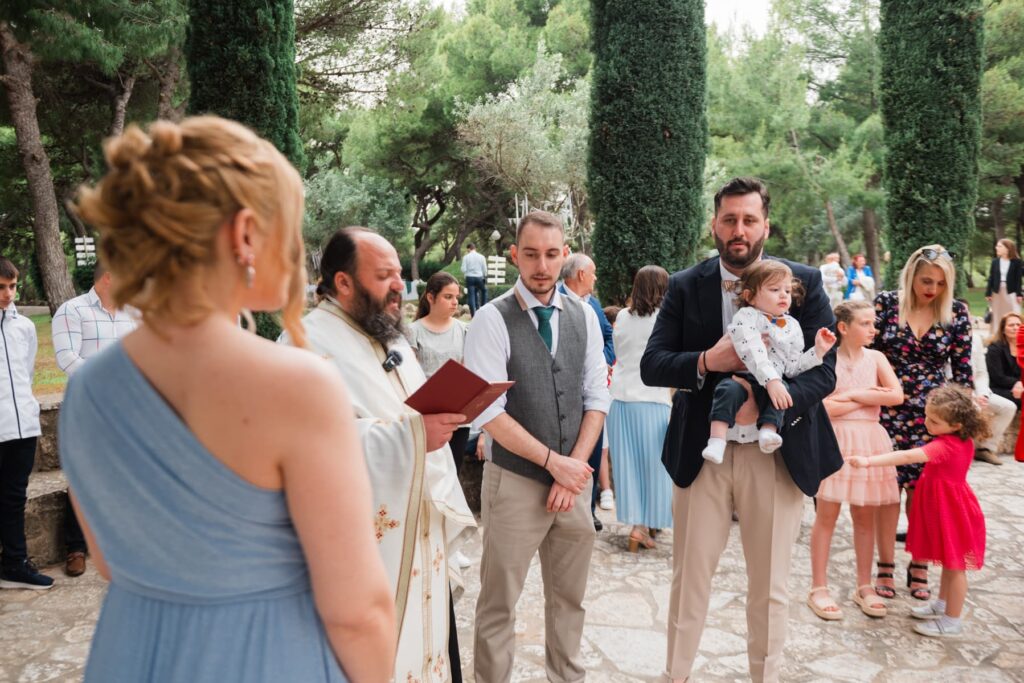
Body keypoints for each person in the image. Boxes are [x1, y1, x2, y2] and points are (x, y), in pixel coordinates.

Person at [61, 116, 395, 681]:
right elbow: (357, 612)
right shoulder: (298, 386)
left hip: (132, 653)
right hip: (264, 658)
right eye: (290, 227)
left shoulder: (86, 389)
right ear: (244, 233)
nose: (298, 251)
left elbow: (110, 562)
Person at [640, 177, 842, 683]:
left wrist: (767, 401)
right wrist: (707, 361)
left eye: (749, 220)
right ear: (714, 224)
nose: (739, 230)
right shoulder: (685, 284)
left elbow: (824, 372)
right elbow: (653, 364)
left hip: (776, 453)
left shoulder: (803, 281)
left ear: (765, 226)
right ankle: (676, 675)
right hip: (702, 452)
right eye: (729, 219)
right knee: (689, 580)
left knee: (771, 586)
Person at [288, 227, 475, 683]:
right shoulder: (303, 345)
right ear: (343, 282)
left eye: (398, 274)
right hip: (367, 553)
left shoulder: (391, 338)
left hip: (419, 538)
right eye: (384, 275)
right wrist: (413, 437)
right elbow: (304, 449)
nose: (398, 286)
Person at [464, 209, 609, 683]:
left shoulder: (585, 316)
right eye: (530, 254)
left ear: (565, 254)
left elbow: (596, 397)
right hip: (514, 483)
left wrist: (573, 468)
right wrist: (553, 464)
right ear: (514, 255)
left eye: (550, 254)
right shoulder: (491, 318)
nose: (541, 266)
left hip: (574, 484)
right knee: (498, 603)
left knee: (570, 599)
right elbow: (488, 412)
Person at [871, 244, 972, 602]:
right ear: (911, 275)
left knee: (923, 494)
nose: (933, 289)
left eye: (941, 283)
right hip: (888, 408)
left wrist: (963, 426)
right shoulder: (886, 304)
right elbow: (868, 353)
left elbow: (963, 372)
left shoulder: (956, 312)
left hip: (934, 419)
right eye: (927, 280)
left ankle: (920, 564)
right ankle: (885, 564)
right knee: (888, 490)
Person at [851, 385, 988, 638]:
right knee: (949, 562)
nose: (926, 423)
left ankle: (952, 621)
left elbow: (906, 457)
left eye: (934, 421)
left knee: (956, 566)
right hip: (949, 507)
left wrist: (868, 461)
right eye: (927, 416)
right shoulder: (961, 438)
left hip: (951, 511)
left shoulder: (945, 445)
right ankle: (943, 605)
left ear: (956, 424)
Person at [807, 300, 903, 621]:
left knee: (865, 517)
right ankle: (818, 587)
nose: (873, 329)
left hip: (870, 442)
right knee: (827, 515)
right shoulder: (828, 359)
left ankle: (864, 585)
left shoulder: (876, 358)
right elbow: (822, 407)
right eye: (865, 323)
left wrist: (850, 396)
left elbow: (895, 395)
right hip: (834, 441)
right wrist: (868, 396)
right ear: (844, 327)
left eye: (873, 323)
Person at [702, 260, 836, 463]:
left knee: (783, 391)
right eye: (774, 289)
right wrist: (771, 380)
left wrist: (817, 352)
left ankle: (768, 430)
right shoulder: (746, 316)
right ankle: (716, 440)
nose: (783, 295)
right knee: (728, 390)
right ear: (750, 296)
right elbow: (752, 348)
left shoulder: (793, 326)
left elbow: (791, 367)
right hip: (742, 376)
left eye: (787, 291)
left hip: (772, 383)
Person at [51, 261, 137, 577]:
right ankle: (76, 548)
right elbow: (66, 358)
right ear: (110, 277)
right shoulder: (72, 311)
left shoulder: (133, 313)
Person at [407, 271, 473, 570]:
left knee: (452, 478)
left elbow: (468, 369)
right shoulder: (413, 332)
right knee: (429, 480)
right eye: (448, 296)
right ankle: (426, 540)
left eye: (456, 297)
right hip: (426, 417)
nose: (454, 302)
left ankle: (451, 544)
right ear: (430, 297)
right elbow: (409, 375)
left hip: (457, 416)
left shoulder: (463, 331)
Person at [607, 265, 673, 551]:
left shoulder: (622, 316)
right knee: (655, 467)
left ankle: (639, 525)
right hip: (652, 398)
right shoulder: (664, 319)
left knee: (628, 467)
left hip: (620, 399)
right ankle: (644, 525)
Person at [0, 257, 52, 591]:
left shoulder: (25, 327)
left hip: (23, 427)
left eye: (12, 286)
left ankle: (14, 565)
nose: (8, 294)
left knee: (14, 497)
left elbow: (27, 373)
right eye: (1, 287)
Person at [559, 252, 616, 531]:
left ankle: (589, 510)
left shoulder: (593, 303)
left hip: (593, 392)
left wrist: (601, 360)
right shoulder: (554, 299)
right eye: (592, 273)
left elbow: (608, 336)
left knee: (592, 453)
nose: (595, 278)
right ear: (581, 274)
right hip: (566, 393)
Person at [975, 313, 1019, 465]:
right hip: (996, 388)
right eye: (1011, 325)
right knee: (1011, 405)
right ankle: (985, 449)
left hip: (1018, 389)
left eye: (1018, 325)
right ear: (1003, 328)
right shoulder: (996, 348)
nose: (1015, 328)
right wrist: (1017, 383)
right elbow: (997, 376)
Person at [985, 238, 1022, 324]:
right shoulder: (995, 262)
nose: (996, 248)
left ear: (1007, 248)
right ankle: (996, 331)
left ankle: (1014, 330)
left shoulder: (1017, 262)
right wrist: (988, 293)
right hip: (997, 291)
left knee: (1014, 311)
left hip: (1011, 291)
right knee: (997, 313)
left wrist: (1019, 294)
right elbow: (991, 278)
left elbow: (1018, 279)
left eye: (999, 246)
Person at [461, 242, 488, 316]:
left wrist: (468, 271)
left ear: (469, 249)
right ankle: (483, 309)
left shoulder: (466, 257)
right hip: (479, 277)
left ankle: (473, 314)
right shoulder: (481, 257)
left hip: (469, 278)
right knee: (484, 291)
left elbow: (463, 269)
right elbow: (485, 269)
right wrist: (484, 276)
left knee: (471, 295)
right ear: (475, 248)